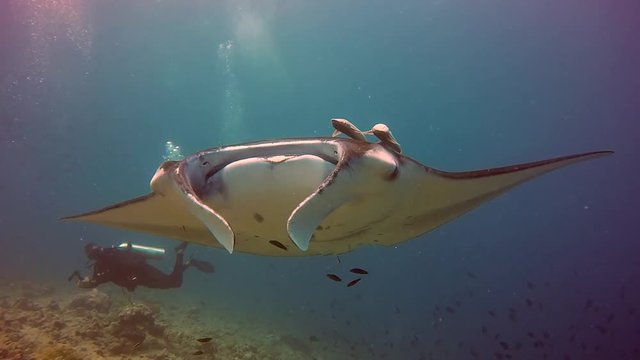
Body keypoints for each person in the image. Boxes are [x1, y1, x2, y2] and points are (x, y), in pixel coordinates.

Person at [68, 241, 214, 291]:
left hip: (144, 274)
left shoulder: (103, 264)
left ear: (91, 256)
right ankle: (187, 263)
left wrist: (83, 283)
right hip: (143, 274)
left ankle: (180, 253)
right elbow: (100, 279)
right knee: (171, 281)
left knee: (174, 282)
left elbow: (100, 280)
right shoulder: (110, 253)